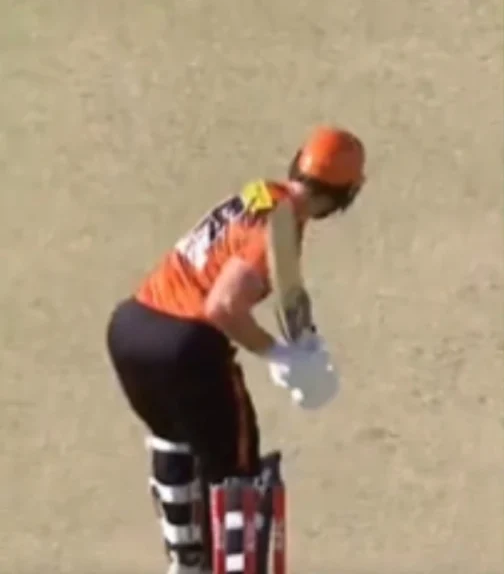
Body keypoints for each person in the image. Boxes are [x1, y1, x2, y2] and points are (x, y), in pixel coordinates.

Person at [104, 126, 366, 574]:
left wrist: (303, 338)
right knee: (236, 471)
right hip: (185, 345)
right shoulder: (278, 227)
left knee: (173, 442)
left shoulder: (259, 196)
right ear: (344, 195)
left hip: (131, 328)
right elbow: (223, 306)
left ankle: (186, 562)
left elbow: (280, 283)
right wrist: (278, 355)